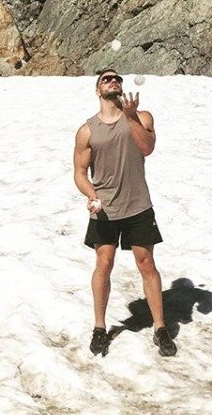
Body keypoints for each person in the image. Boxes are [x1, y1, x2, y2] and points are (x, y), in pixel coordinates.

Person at [73, 69, 177, 357]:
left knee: (146, 263)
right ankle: (99, 327)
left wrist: (130, 117)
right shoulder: (87, 130)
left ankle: (160, 328)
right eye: (106, 79)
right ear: (97, 90)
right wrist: (91, 194)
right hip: (105, 209)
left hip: (138, 205)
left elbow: (147, 148)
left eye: (116, 78)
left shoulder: (142, 117)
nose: (113, 81)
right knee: (103, 264)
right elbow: (80, 173)